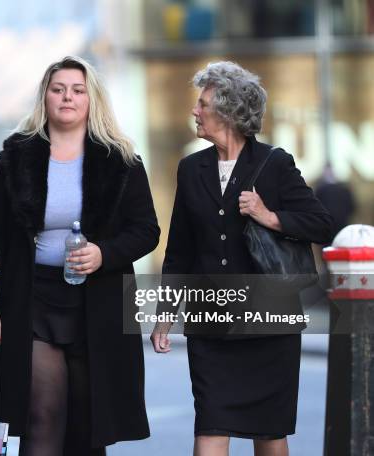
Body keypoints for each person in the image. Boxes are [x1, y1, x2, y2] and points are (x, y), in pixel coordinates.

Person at [0, 56, 160, 456]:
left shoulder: (121, 160)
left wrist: (103, 253)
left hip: (100, 304)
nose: (67, 97)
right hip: (31, 300)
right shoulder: (17, 156)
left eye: (77, 90)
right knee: (42, 414)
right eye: (58, 89)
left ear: (91, 99)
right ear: (45, 97)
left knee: (88, 424)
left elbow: (147, 231)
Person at [151, 61, 333, 456]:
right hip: (210, 323)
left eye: (203, 104)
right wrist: (166, 311)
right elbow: (179, 247)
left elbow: (321, 223)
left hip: (269, 325)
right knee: (211, 426)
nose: (195, 111)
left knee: (268, 433)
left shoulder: (275, 163)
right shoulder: (191, 168)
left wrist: (270, 216)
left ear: (231, 111)